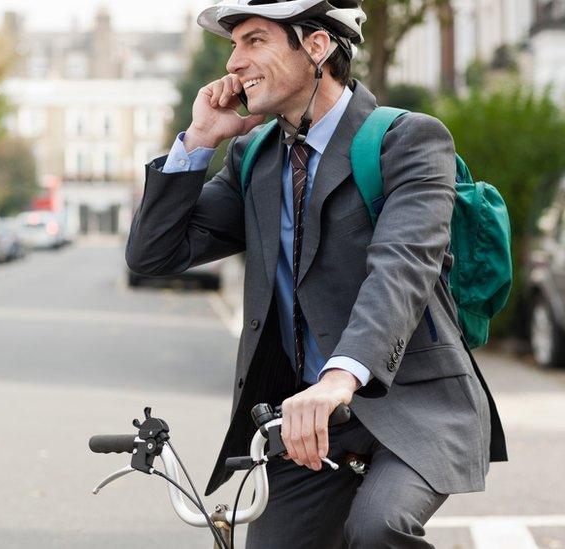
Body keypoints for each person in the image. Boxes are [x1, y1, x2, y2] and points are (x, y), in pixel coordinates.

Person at [125, 0, 507, 547]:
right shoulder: (254, 158)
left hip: (413, 405)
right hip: (309, 423)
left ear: (318, 46)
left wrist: (339, 379)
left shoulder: (408, 140)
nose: (234, 61)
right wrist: (201, 138)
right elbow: (153, 253)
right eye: (233, 45)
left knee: (379, 528)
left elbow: (400, 269)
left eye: (254, 41)